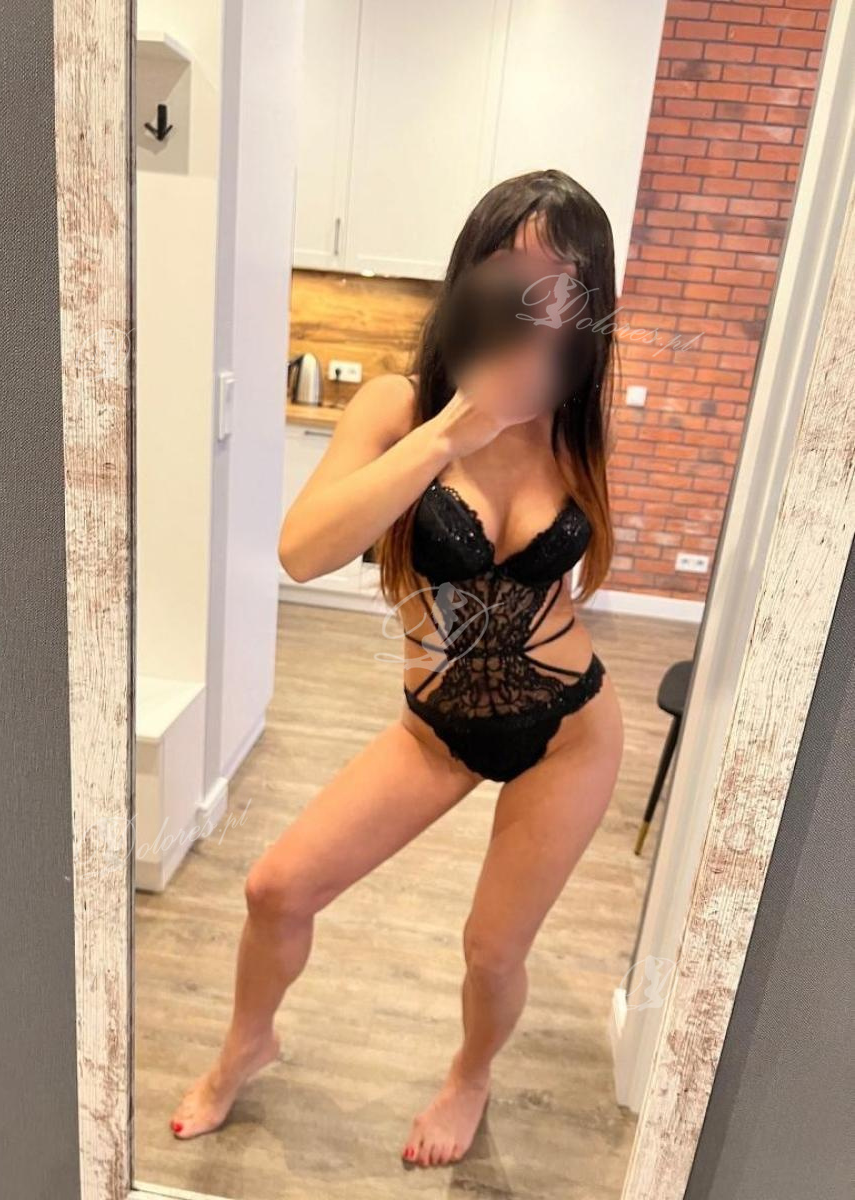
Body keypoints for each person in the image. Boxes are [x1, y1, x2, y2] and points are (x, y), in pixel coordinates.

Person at [170, 168, 625, 1169]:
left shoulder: (574, 419)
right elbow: (302, 551)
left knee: (492, 951)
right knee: (275, 889)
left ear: (586, 304)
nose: (534, 304)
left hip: (571, 731)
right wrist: (453, 431)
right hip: (436, 730)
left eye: (561, 284)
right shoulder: (400, 404)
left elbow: (574, 570)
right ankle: (247, 1044)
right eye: (512, 274)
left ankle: (471, 1074)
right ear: (470, 276)